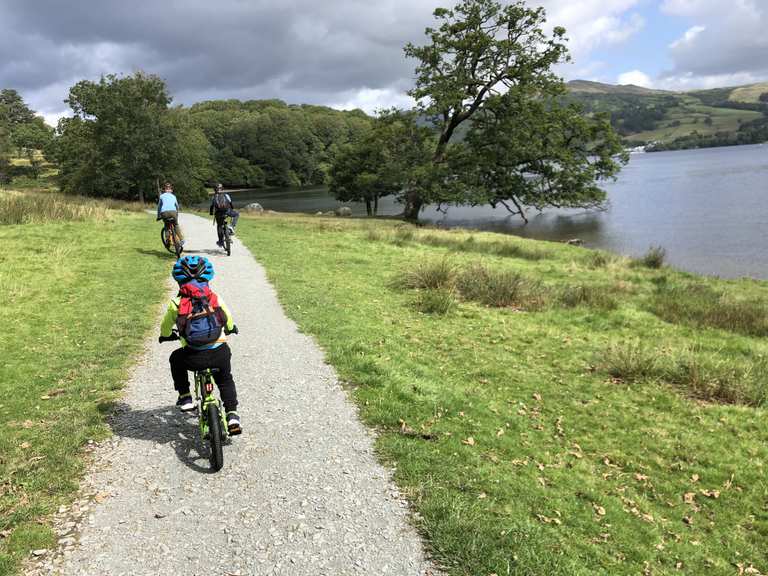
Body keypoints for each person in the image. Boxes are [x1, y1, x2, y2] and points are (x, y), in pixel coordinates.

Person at [159, 255, 241, 434]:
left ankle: (186, 397)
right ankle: (232, 414)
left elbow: (165, 328)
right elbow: (227, 319)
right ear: (207, 278)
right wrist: (230, 328)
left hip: (193, 356)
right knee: (225, 379)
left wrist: (165, 336)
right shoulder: (214, 297)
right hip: (219, 352)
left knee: (175, 358)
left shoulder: (176, 303)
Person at [209, 183, 239, 247]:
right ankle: (231, 226)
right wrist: (232, 209)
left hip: (218, 214)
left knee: (219, 226)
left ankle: (220, 242)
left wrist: (211, 213)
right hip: (227, 211)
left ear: (215, 190)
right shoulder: (226, 195)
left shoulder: (213, 197)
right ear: (222, 189)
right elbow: (231, 204)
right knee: (236, 214)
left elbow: (212, 207)